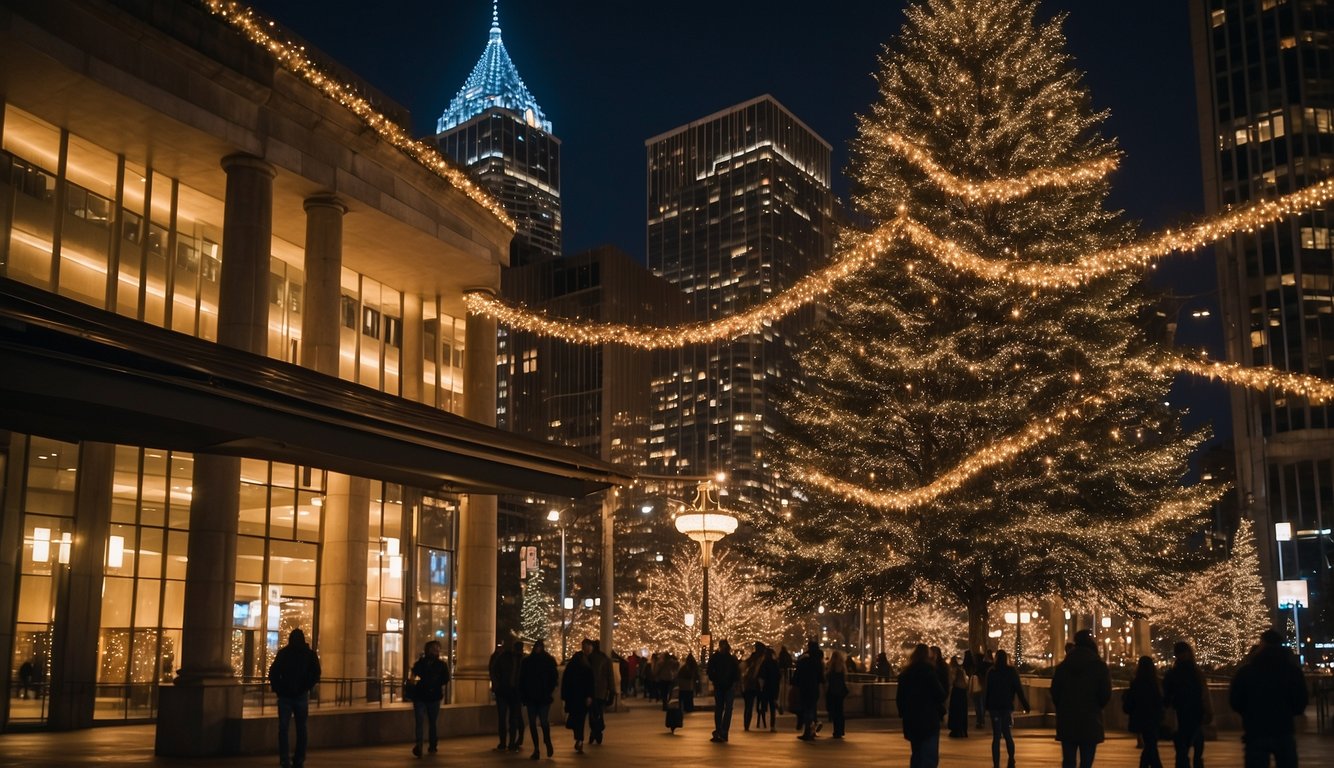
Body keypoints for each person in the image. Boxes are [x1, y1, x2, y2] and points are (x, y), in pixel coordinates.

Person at [1229, 628, 1307, 768]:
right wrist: (1289, 712)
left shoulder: (1247, 671)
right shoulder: (1292, 671)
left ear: (1262, 644)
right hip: (1283, 728)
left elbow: (1235, 700)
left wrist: (1248, 713)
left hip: (1256, 729)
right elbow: (1301, 700)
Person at [1050, 629, 1111, 768]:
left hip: (1067, 719)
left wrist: (1062, 707)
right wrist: (1096, 706)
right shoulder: (1099, 666)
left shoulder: (1063, 667)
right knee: (1086, 762)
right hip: (1090, 719)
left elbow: (1055, 692)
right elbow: (1105, 693)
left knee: (1068, 761)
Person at [268, 628, 321, 768]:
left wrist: (279, 689)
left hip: (286, 696)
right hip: (300, 695)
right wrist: (306, 686)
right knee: (301, 729)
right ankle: (299, 758)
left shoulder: (284, 654)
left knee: (284, 729)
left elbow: (273, 673)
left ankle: (285, 759)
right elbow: (316, 673)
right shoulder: (309, 655)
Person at [897, 643, 946, 768]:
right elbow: (940, 694)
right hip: (928, 718)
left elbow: (900, 698)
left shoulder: (905, 675)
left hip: (912, 719)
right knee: (929, 755)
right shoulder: (929, 672)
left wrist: (904, 713)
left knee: (917, 754)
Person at [1162, 641, 1209, 768]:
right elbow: (1204, 694)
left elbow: (1166, 696)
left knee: (1182, 749)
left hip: (1181, 713)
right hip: (1195, 712)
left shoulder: (1172, 674)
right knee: (1196, 746)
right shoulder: (1196, 673)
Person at [985, 649, 1030, 768]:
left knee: (996, 736)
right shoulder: (1011, 671)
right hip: (1006, 706)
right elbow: (1018, 689)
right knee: (1007, 733)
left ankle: (996, 764)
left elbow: (987, 690)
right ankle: (1011, 759)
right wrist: (1025, 704)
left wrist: (986, 706)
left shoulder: (991, 672)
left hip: (994, 707)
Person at [409, 639, 450, 759]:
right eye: (434, 649)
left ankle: (432, 744)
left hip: (434, 696)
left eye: (437, 649)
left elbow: (445, 679)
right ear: (428, 650)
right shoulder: (421, 663)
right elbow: (413, 675)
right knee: (420, 721)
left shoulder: (441, 665)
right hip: (421, 695)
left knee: (432, 722)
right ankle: (419, 745)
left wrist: (435, 684)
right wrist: (412, 684)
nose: (436, 651)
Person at [519, 639, 558, 760]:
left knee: (541, 722)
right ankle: (539, 746)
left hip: (539, 697)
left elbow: (522, 680)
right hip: (537, 697)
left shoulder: (529, 662)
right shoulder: (547, 661)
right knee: (536, 722)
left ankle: (544, 743)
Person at [1124, 656, 1165, 768]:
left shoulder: (1136, 683)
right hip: (1154, 719)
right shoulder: (1156, 683)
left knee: (1150, 747)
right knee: (1151, 746)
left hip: (1140, 718)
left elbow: (1131, 702)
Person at [560, 639, 595, 754]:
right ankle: (579, 739)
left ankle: (579, 739)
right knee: (580, 719)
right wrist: (589, 695)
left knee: (578, 718)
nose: (589, 649)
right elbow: (590, 681)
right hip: (580, 696)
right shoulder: (585, 663)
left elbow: (566, 680)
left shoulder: (575, 662)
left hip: (575, 696)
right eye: (587, 646)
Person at [489, 640, 524, 752]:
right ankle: (506, 742)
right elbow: (494, 670)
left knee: (510, 719)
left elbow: (493, 670)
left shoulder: (520, 660)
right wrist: (498, 685)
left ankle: (509, 742)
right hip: (505, 691)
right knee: (506, 718)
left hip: (513, 692)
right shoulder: (507, 658)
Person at [706, 639, 741, 743]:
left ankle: (720, 730)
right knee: (727, 709)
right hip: (727, 686)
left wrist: (715, 679)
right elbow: (736, 673)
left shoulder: (715, 658)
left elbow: (710, 671)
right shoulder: (731, 659)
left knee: (720, 708)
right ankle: (723, 731)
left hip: (721, 686)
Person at [793, 640, 824, 740]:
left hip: (804, 686)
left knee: (806, 709)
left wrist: (795, 684)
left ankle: (807, 731)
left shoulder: (804, 659)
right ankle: (812, 729)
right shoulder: (818, 660)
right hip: (814, 687)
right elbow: (820, 676)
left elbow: (797, 673)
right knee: (812, 708)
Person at [587, 640, 613, 746]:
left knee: (592, 712)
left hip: (590, 690)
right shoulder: (605, 659)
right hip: (602, 690)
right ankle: (598, 730)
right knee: (599, 711)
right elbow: (610, 676)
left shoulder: (589, 659)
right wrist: (612, 690)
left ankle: (595, 730)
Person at [826, 649, 849, 739]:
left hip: (833, 692)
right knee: (840, 711)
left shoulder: (831, 668)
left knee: (835, 712)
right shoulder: (842, 668)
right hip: (840, 692)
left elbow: (827, 678)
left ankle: (836, 731)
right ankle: (841, 730)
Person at [742, 642, 765, 731]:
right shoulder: (762, 660)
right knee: (755, 705)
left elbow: (743, 667)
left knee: (748, 705)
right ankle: (759, 719)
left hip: (749, 684)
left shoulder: (751, 658)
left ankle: (746, 724)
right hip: (756, 684)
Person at [759, 644, 781, 732]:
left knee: (764, 704)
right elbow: (779, 675)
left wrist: (761, 686)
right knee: (772, 708)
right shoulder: (775, 663)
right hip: (774, 686)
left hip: (766, 687)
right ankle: (772, 725)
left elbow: (761, 676)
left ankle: (762, 718)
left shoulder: (764, 663)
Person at [947, 654, 970, 737]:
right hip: (962, 692)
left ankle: (956, 730)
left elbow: (951, 680)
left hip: (956, 691)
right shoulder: (962, 670)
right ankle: (963, 729)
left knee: (955, 711)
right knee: (962, 711)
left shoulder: (954, 670)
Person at [972, 649, 993, 729]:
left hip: (979, 686)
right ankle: (981, 720)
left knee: (978, 704)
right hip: (986, 686)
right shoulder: (989, 665)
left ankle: (979, 720)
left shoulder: (978, 666)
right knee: (982, 704)